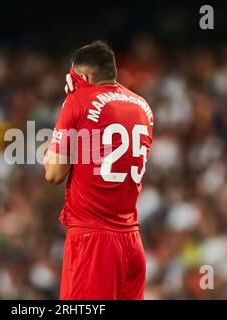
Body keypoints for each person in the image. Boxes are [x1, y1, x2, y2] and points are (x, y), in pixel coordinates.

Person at [43, 41, 154, 300]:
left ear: (83, 76)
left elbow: (54, 174)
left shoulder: (77, 100)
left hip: (94, 241)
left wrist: (69, 103)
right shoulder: (142, 105)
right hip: (131, 241)